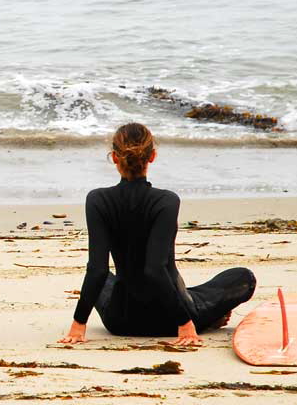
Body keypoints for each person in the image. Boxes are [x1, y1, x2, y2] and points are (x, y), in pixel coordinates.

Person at [59, 123, 256, 347]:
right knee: (243, 278)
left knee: (102, 280)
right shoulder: (166, 201)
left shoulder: (97, 200)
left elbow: (98, 269)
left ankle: (197, 305)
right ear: (152, 156)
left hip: (121, 321)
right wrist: (185, 324)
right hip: (171, 319)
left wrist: (78, 324)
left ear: (114, 157)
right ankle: (205, 314)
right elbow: (154, 269)